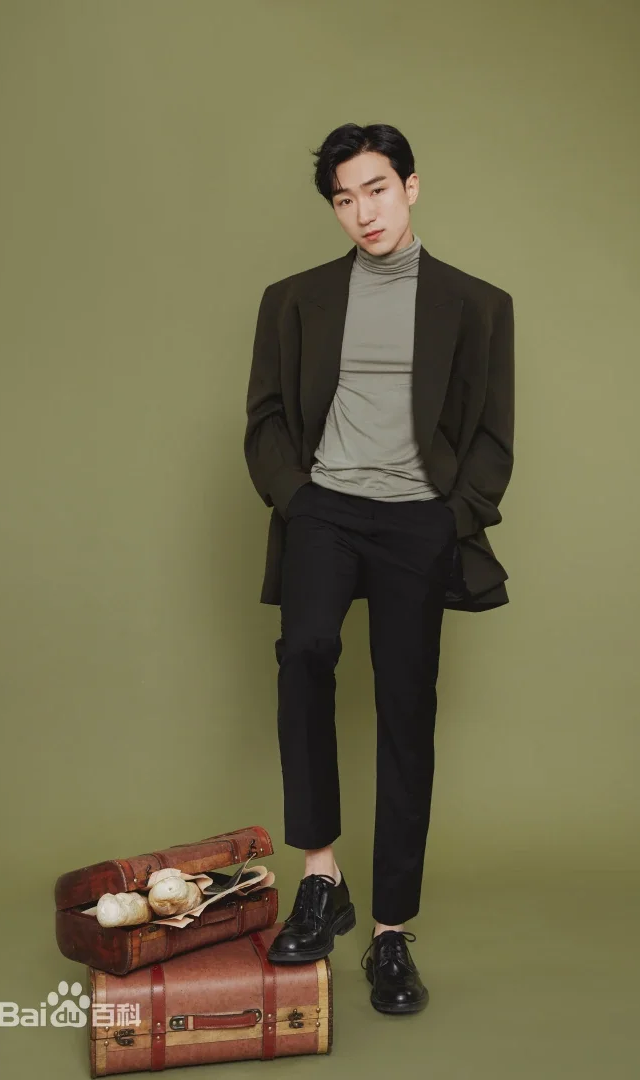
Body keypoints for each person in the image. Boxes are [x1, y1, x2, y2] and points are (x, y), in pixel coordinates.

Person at [243, 122, 515, 1014]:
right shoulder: (295, 299)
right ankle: (322, 877)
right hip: (325, 509)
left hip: (416, 523)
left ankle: (391, 933)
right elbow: (266, 419)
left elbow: (492, 438)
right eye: (344, 198)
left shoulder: (477, 305)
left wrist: (448, 521)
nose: (363, 212)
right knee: (304, 653)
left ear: (411, 186)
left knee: (405, 709)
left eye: (377, 189)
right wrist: (298, 499)